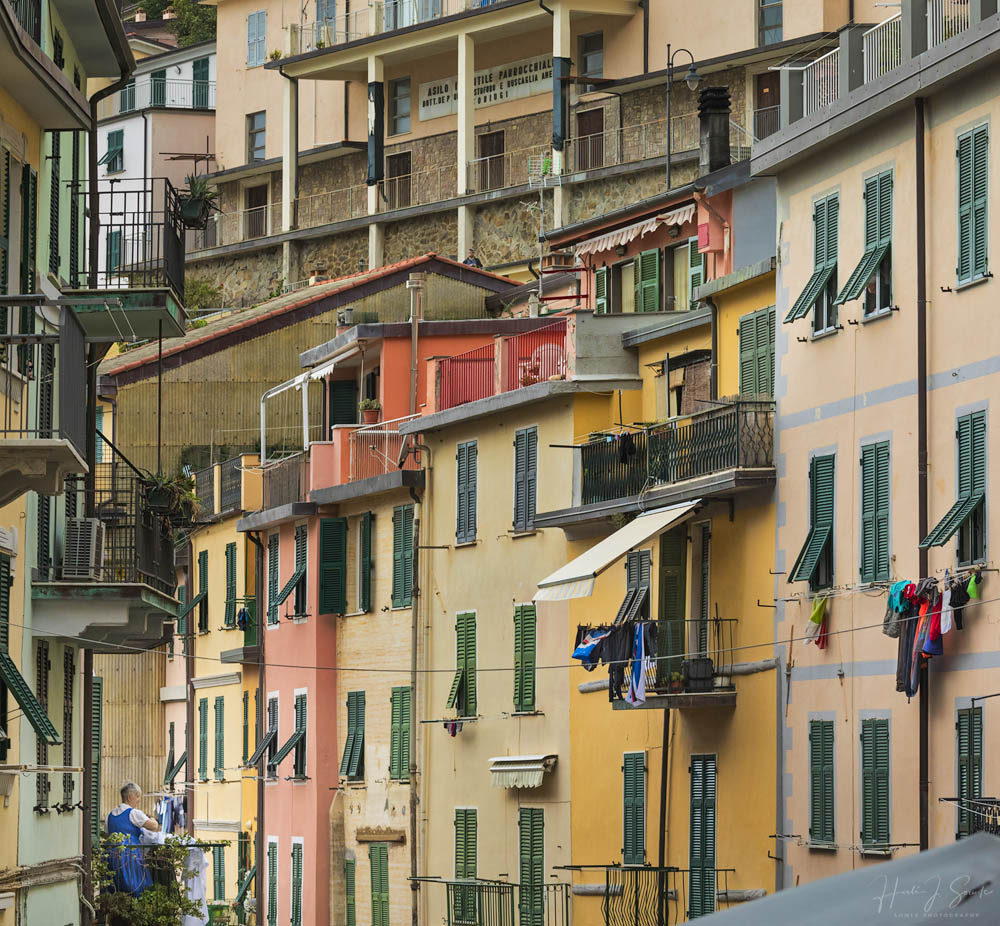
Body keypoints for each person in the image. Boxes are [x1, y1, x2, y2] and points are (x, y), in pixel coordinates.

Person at [107, 782, 159, 896]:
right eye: (138, 796)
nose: (139, 800)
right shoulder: (134, 813)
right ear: (130, 797)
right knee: (137, 886)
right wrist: (153, 819)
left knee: (118, 887)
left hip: (113, 856)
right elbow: (153, 826)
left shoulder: (110, 815)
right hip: (130, 855)